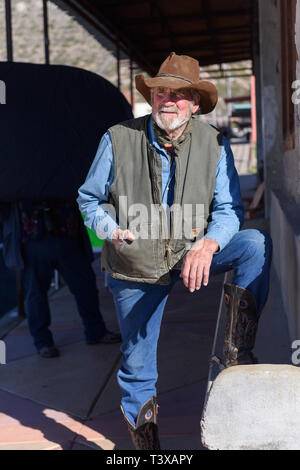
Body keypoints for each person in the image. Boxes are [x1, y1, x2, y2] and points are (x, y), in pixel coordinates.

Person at [77, 52, 272, 450]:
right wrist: (110, 231)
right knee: (136, 366)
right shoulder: (116, 137)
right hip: (135, 263)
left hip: (189, 252)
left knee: (253, 243)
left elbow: (229, 208)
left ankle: (237, 353)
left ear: (195, 103)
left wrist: (209, 242)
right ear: (152, 97)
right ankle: (148, 451)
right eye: (160, 91)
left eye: (179, 94)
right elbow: (89, 200)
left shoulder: (214, 143)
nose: (168, 100)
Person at [0, 200, 121, 358]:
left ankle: (94, 331)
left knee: (85, 287)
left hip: (64, 234)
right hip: (34, 239)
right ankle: (43, 341)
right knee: (36, 294)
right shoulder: (16, 179)